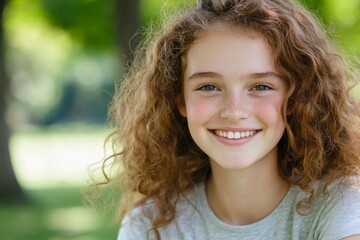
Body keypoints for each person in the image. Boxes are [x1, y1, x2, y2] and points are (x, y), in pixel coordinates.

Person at [95, 0, 360, 239]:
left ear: (295, 97)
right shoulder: (151, 225)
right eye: (209, 87)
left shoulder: (339, 204)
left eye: (261, 86)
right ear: (180, 99)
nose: (234, 111)